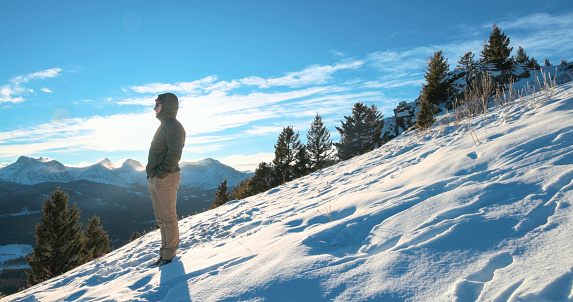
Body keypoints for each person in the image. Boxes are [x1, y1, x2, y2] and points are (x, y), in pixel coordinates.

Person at [146, 92, 186, 267]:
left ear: (166, 106)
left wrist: (161, 174)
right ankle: (164, 253)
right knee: (161, 218)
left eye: (157, 104)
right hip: (156, 177)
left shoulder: (174, 126)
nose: (154, 108)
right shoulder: (164, 126)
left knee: (168, 218)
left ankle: (168, 256)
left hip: (166, 177)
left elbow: (174, 154)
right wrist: (152, 175)